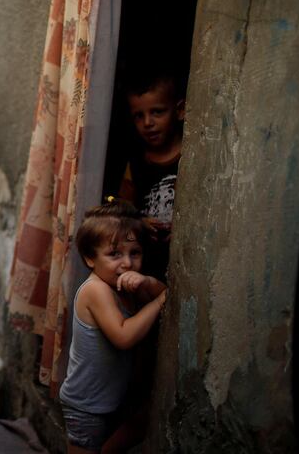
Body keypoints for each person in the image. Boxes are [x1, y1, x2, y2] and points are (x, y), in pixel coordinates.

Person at [59, 200, 167, 453]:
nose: (127, 263)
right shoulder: (96, 289)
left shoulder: (126, 286)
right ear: (89, 258)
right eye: (114, 254)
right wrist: (159, 302)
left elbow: (167, 296)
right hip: (85, 404)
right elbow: (123, 336)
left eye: (135, 253)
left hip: (112, 400)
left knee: (137, 425)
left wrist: (150, 283)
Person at [118, 73, 185, 281]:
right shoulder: (136, 164)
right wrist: (139, 222)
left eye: (157, 112)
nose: (148, 122)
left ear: (180, 110)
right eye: (139, 115)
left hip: (185, 261)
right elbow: (121, 210)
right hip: (146, 267)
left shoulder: (192, 156)